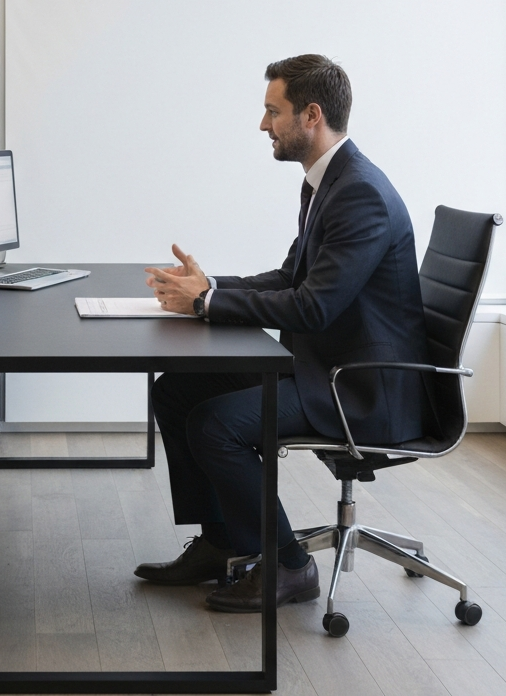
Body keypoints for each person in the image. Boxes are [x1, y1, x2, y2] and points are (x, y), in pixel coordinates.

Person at [136, 54, 428, 613]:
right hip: (326, 364)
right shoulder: (327, 182)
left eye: (274, 111)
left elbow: (313, 307)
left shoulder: (359, 193)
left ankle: (288, 566)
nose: (263, 124)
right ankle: (224, 542)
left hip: (361, 389)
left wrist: (208, 303)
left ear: (311, 115)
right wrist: (210, 286)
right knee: (177, 388)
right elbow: (292, 277)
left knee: (215, 423)